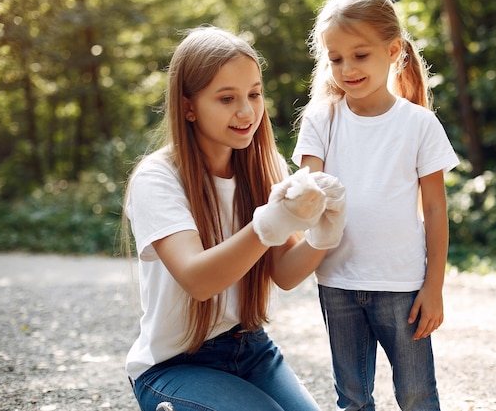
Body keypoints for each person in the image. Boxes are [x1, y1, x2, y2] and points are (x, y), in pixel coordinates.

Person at [122, 25, 346, 411]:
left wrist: (323, 235)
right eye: (226, 98)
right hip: (174, 366)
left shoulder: (265, 166)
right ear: (188, 106)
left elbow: (286, 274)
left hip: (252, 347)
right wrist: (269, 224)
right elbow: (198, 279)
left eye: (254, 94)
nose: (246, 111)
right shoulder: (157, 178)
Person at [292, 0, 460, 410]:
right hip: (337, 282)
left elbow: (436, 210)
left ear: (392, 50)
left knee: (418, 395)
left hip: (402, 286)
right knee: (351, 397)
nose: (347, 70)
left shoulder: (419, 124)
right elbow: (311, 189)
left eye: (360, 55)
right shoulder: (320, 119)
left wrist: (433, 285)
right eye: (335, 59)